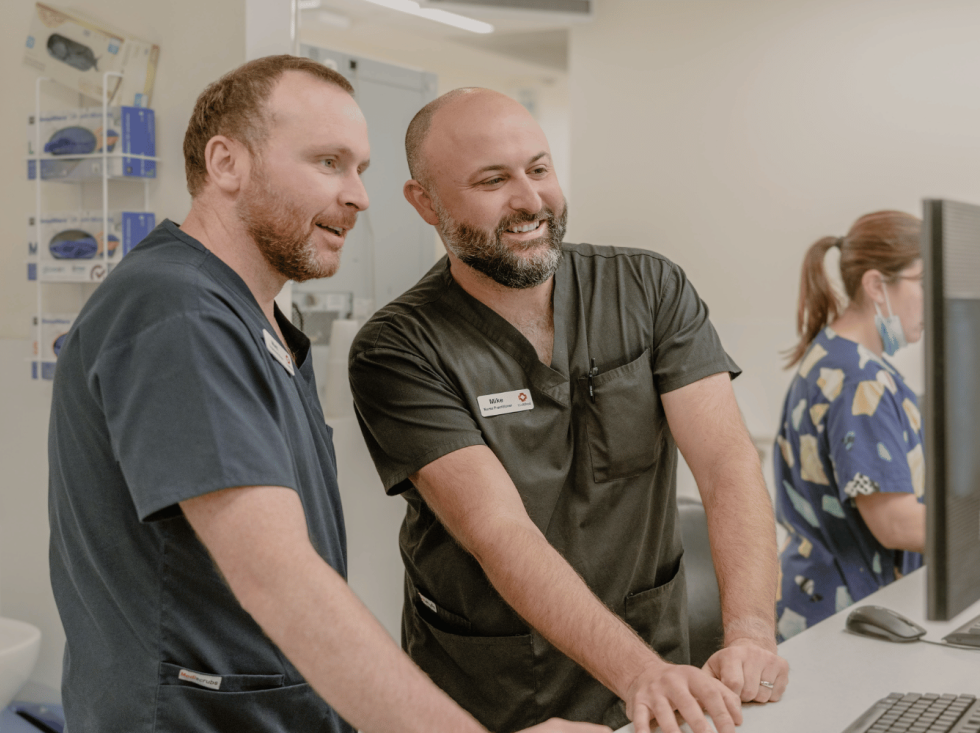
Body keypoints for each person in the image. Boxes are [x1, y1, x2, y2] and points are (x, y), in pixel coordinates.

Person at [47, 56, 605, 733]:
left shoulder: (257, 322)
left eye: (361, 169)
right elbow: (278, 578)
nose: (360, 196)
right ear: (227, 164)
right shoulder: (177, 309)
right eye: (328, 162)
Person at [347, 87, 789, 733]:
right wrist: (638, 673)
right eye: (493, 179)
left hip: (663, 689)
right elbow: (499, 531)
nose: (530, 200)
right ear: (425, 202)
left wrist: (751, 632)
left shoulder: (648, 289)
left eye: (540, 168)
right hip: (500, 700)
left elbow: (726, 463)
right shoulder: (400, 347)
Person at [774, 210, 926, 640]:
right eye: (924, 281)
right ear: (877, 285)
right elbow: (895, 523)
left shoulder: (835, 357)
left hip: (825, 603)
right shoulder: (861, 380)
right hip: (843, 615)